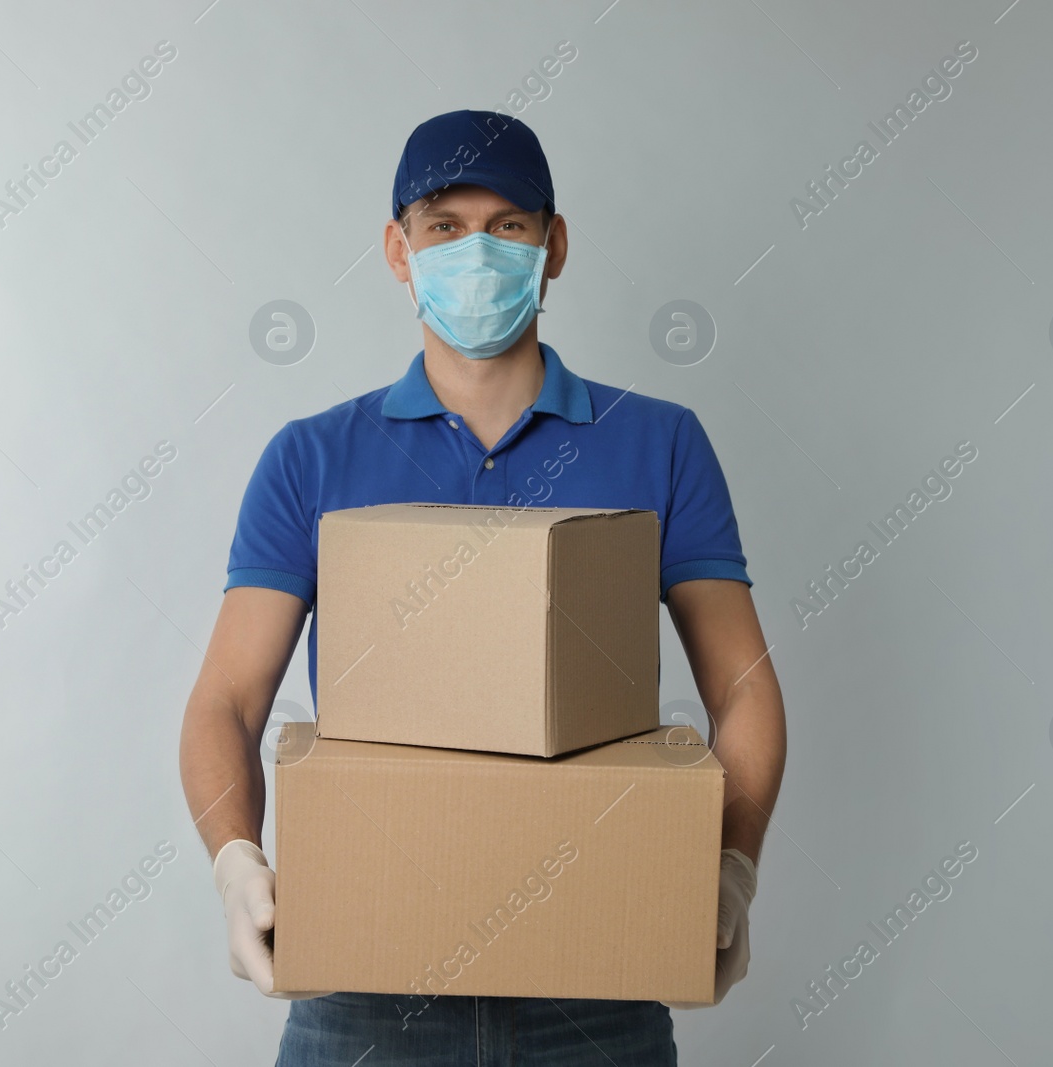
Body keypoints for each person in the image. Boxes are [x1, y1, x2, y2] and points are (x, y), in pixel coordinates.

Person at [179, 109, 787, 1065]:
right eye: (443, 224)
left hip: (598, 980)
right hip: (366, 983)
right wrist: (235, 861)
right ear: (398, 248)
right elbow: (225, 698)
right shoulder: (313, 458)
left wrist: (732, 866)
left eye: (508, 225)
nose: (476, 250)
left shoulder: (659, 442)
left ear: (555, 246)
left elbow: (745, 686)